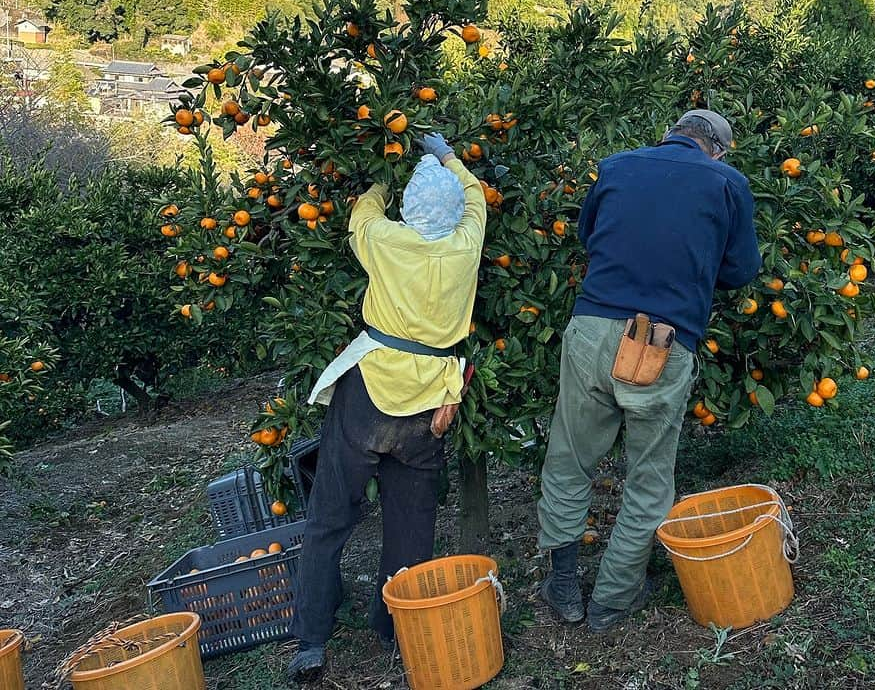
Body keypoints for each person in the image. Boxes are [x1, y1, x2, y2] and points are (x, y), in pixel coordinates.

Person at [536, 109, 761, 632]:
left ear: (671, 134)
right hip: (664, 340)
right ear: (717, 149)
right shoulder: (728, 182)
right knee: (649, 476)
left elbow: (589, 236)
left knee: (570, 459)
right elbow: (741, 269)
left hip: (593, 327)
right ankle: (614, 597)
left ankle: (565, 586)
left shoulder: (615, 166)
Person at [287, 133, 485, 682]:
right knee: (411, 522)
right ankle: (396, 624)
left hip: (369, 395)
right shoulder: (466, 245)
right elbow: (475, 199)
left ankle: (310, 640)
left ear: (408, 210)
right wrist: (449, 156)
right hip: (430, 404)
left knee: (330, 515)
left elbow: (361, 214)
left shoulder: (387, 241)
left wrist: (380, 173)